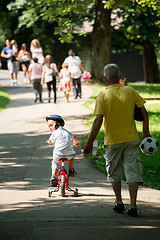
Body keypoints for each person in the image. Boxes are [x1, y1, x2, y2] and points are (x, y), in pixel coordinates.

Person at [84, 63, 151, 217]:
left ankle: (119, 202)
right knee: (133, 172)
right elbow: (143, 110)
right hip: (131, 138)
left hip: (113, 141)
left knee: (114, 172)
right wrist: (145, 131)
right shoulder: (130, 90)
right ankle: (133, 206)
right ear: (120, 78)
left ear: (105, 79)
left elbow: (98, 120)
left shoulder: (102, 95)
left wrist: (89, 143)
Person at [46, 114, 80, 186]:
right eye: (49, 126)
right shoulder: (67, 132)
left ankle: (53, 176)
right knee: (72, 157)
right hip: (69, 154)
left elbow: (50, 141)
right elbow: (74, 136)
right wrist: (76, 143)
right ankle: (71, 170)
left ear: (58, 124)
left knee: (55, 163)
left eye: (51, 125)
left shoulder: (54, 133)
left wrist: (49, 142)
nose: (50, 128)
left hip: (58, 154)